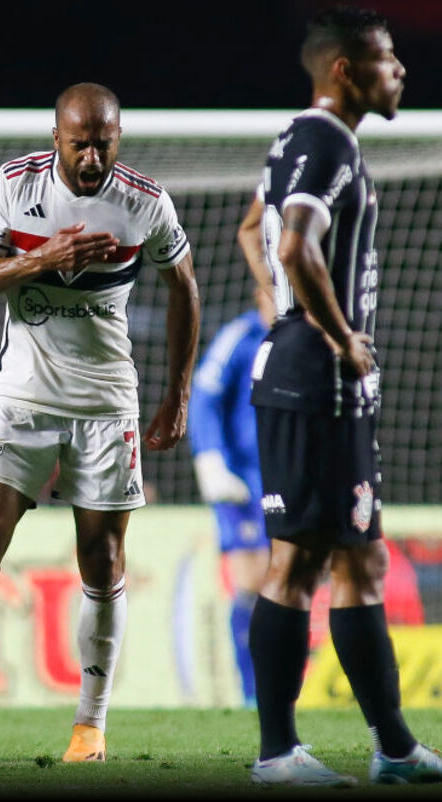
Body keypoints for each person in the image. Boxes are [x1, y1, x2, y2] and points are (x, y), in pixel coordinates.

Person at [0, 83, 200, 764]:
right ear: (57, 139)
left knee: (101, 562)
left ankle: (90, 724)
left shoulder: (144, 200)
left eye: (104, 143)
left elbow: (184, 288)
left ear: (118, 139)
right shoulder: (16, 188)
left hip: (106, 404)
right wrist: (43, 260)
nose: (92, 158)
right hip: (21, 397)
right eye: (80, 143)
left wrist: (177, 395)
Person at [245, 7, 442, 786]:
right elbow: (290, 242)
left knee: (362, 560)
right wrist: (339, 335)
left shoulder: (294, 139)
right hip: (315, 381)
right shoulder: (325, 139)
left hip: (321, 381)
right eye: (387, 59)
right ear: (345, 70)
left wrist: (276, 306)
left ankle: (394, 749)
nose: (401, 70)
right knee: (299, 563)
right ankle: (277, 755)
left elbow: (253, 228)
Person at [188, 283, 275, 707]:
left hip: (287, 476)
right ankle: (252, 696)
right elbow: (203, 396)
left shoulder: (302, 339)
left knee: (286, 585)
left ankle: (279, 692)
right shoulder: (239, 336)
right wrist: (211, 460)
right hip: (243, 480)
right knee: (252, 582)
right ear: (259, 293)